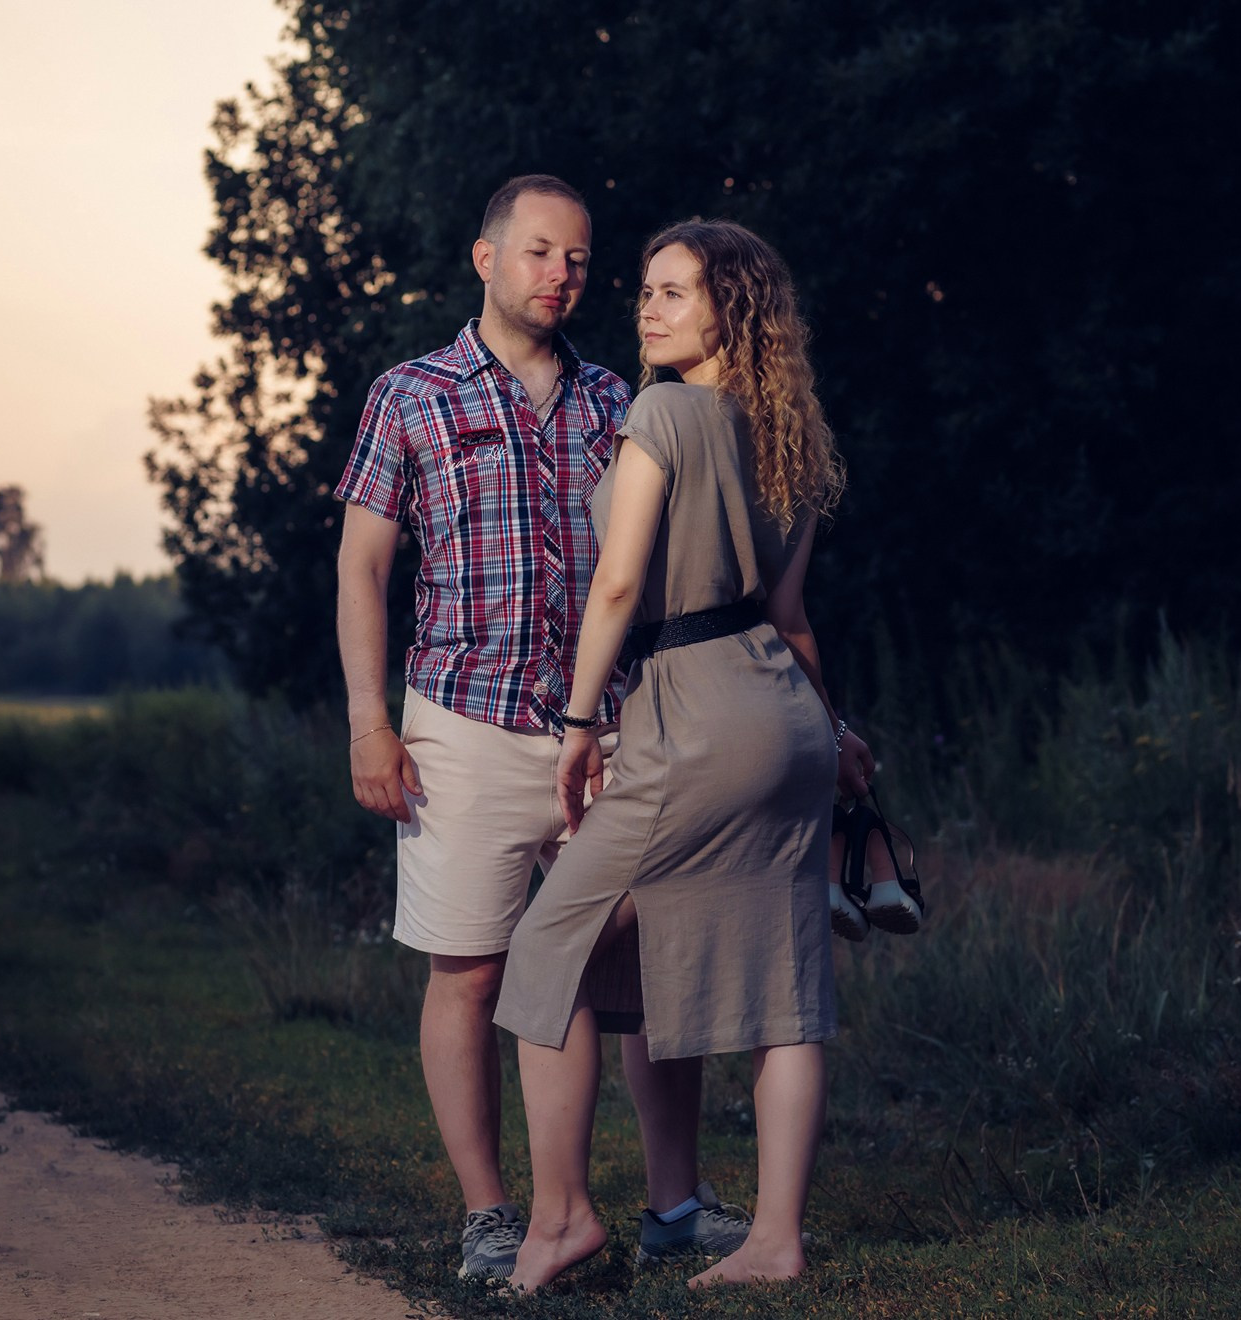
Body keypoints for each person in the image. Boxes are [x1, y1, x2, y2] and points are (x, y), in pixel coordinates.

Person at [334, 177, 754, 1281]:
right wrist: (367, 726)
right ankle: (490, 1214)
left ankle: (673, 1206)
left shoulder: (625, 398)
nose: (560, 274)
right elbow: (363, 566)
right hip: (460, 726)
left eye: (576, 258)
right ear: (485, 258)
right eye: (538, 252)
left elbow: (663, 573)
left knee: (646, 974)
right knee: (470, 974)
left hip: (611, 731)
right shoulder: (409, 395)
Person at [492, 218, 876, 1292]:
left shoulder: (662, 411)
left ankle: (561, 1223)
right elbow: (792, 618)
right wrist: (833, 731)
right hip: (781, 719)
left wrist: (577, 727)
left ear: (729, 310)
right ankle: (774, 1241)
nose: (647, 308)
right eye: (646, 292)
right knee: (784, 991)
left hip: (691, 716)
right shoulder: (790, 431)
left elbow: (618, 587)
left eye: (674, 293)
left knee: (546, 948)